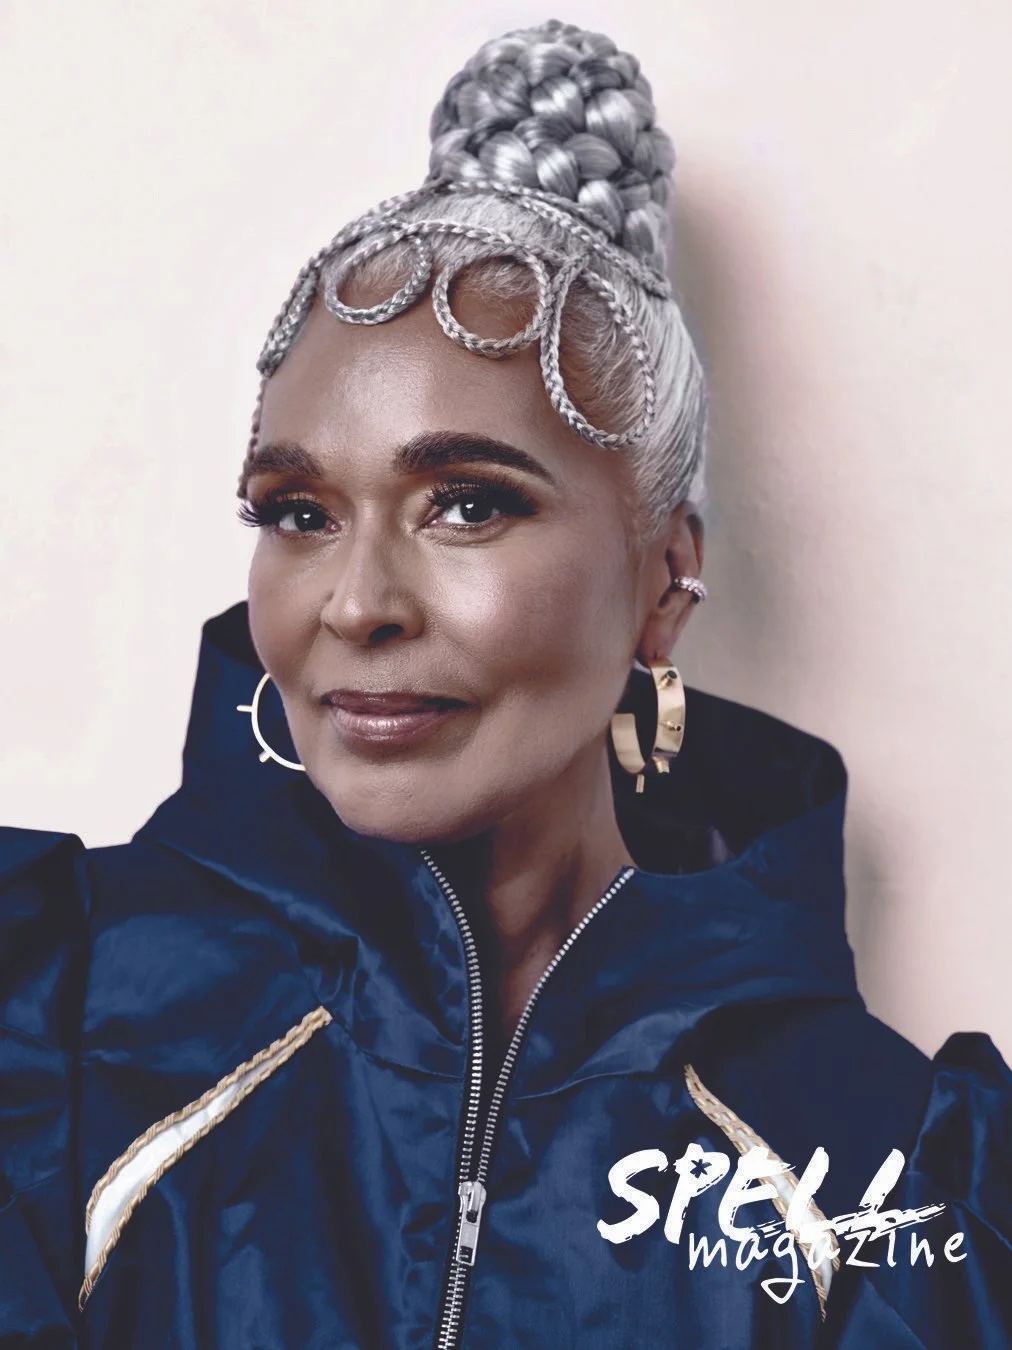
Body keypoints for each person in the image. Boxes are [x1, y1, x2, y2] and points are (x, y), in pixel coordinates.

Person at [1, 18, 1009, 1349]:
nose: (354, 603)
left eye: (467, 503)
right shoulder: (51, 1032)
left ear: (665, 578)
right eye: (299, 511)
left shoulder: (880, 1182)